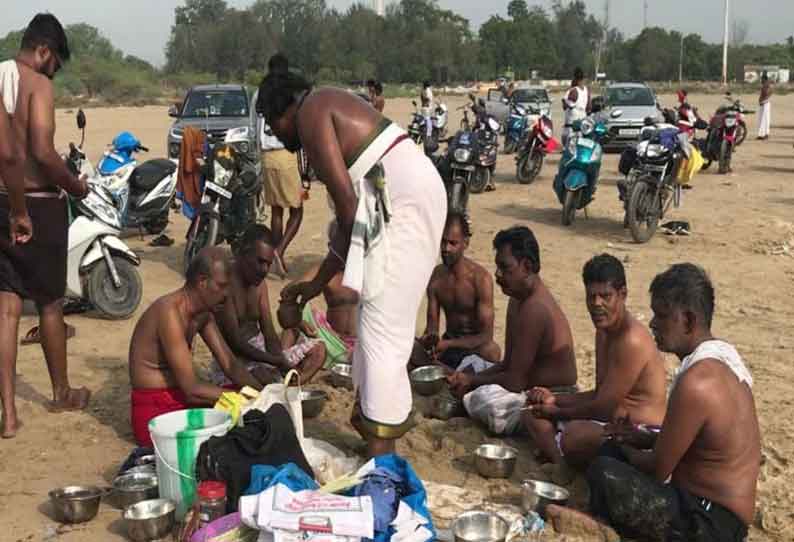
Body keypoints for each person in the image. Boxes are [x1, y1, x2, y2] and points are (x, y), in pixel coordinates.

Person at [257, 55, 446, 457]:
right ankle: (373, 423)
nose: (275, 134)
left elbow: (347, 209)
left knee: (381, 332)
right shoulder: (322, 104)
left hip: (405, 204)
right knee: (373, 322)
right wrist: (314, 285)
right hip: (399, 200)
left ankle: (384, 457)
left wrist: (317, 282)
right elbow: (352, 219)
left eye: (272, 125)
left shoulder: (311, 113)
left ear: (282, 110)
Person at [587, 263, 760, 541]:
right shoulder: (724, 360)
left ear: (689, 321)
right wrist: (638, 437)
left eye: (662, 315)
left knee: (604, 469)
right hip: (719, 515)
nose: (653, 323)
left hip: (708, 522)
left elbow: (657, 469)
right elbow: (694, 443)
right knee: (613, 454)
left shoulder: (698, 381)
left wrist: (624, 446)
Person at [0, 14, 91, 438]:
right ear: (44, 51)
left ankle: (9, 414)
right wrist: (76, 186)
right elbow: (40, 149)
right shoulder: (38, 85)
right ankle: (60, 393)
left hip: (2, 201)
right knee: (51, 302)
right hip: (38, 204)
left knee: (7, 306)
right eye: (55, 63)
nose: (54, 72)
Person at [525, 254, 666, 469]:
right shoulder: (604, 331)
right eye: (591, 297)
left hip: (641, 432)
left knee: (575, 436)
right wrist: (553, 398)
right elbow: (599, 393)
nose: (596, 304)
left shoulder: (632, 340)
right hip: (609, 423)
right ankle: (559, 459)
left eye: (605, 296)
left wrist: (558, 411)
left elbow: (604, 408)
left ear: (623, 295)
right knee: (531, 413)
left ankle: (559, 457)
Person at [446, 226, 577, 435]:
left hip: (551, 395)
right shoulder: (517, 299)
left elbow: (515, 381)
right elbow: (508, 364)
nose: (498, 274)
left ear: (526, 266)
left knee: (485, 400)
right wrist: (469, 378)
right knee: (470, 364)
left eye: (505, 268)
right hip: (523, 384)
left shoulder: (535, 309)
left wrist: (472, 382)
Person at [129, 247, 264, 447]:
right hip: (155, 408)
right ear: (202, 282)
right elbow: (192, 389)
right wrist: (241, 398)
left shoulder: (203, 314)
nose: (227, 294)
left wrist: (262, 395)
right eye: (222, 286)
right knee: (236, 418)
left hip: (182, 397)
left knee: (247, 400)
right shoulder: (169, 312)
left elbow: (230, 365)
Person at [215, 225, 326, 385]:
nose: (264, 270)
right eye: (260, 262)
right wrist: (274, 361)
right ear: (244, 253)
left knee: (318, 350)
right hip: (234, 361)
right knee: (263, 376)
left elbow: (269, 332)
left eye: (268, 264)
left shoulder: (259, 286)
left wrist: (280, 361)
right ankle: (280, 387)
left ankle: (291, 386)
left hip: (262, 355)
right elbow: (235, 342)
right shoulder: (225, 284)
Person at [416, 211, 500, 370]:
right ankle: (446, 368)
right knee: (410, 347)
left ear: (465, 243)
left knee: (492, 351)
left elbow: (486, 336)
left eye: (453, 243)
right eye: (443, 242)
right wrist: (430, 340)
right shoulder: (436, 277)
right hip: (447, 347)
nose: (446, 248)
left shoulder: (480, 279)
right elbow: (432, 327)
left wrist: (448, 344)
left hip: (474, 347)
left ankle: (444, 369)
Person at [257, 53, 304, 277]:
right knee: (297, 210)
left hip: (266, 157)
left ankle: (274, 261)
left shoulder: (260, 93)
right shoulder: (289, 93)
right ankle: (279, 251)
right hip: (285, 155)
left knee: (276, 210)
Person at [281, 261, 359, 368]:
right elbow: (288, 292)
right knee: (295, 310)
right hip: (329, 339)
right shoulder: (326, 270)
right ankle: (283, 360)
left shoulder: (369, 272)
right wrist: (300, 321)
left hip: (360, 344)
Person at [561, 67, 590, 147]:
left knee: (569, 145)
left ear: (575, 79)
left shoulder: (572, 91)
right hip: (583, 122)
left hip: (571, 124)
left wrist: (565, 103)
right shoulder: (587, 90)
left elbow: (565, 106)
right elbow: (588, 107)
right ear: (583, 79)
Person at [757, 72, 772, 140]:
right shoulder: (764, 85)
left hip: (766, 104)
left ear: (764, 79)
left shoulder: (767, 85)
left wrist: (764, 100)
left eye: (762, 79)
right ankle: (761, 134)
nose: (761, 80)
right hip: (762, 104)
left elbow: (769, 93)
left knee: (765, 119)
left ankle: (766, 134)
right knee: (760, 119)